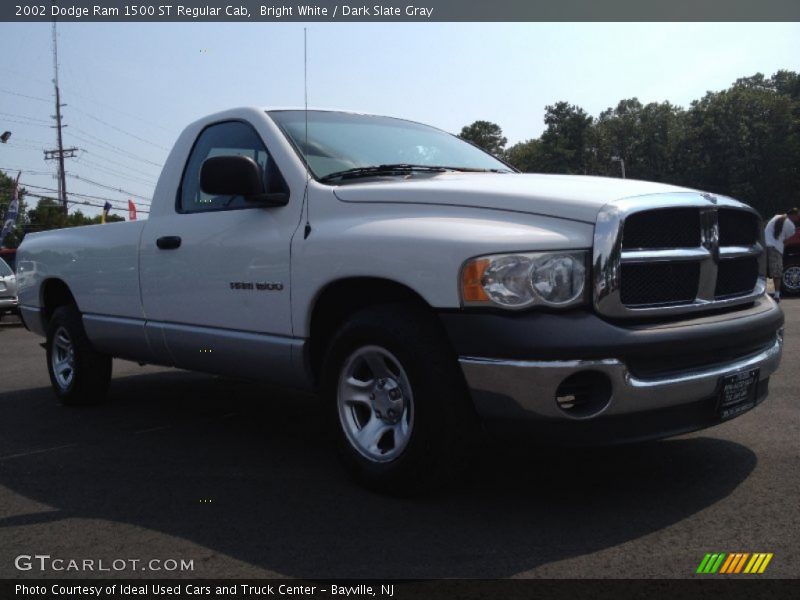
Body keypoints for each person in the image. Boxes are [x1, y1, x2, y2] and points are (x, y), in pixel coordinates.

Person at [764, 207, 799, 301]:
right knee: (777, 273)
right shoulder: (790, 225)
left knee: (764, 271)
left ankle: (761, 293)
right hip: (775, 248)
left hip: (765, 246)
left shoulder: (776, 217)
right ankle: (777, 296)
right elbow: (786, 241)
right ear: (794, 215)